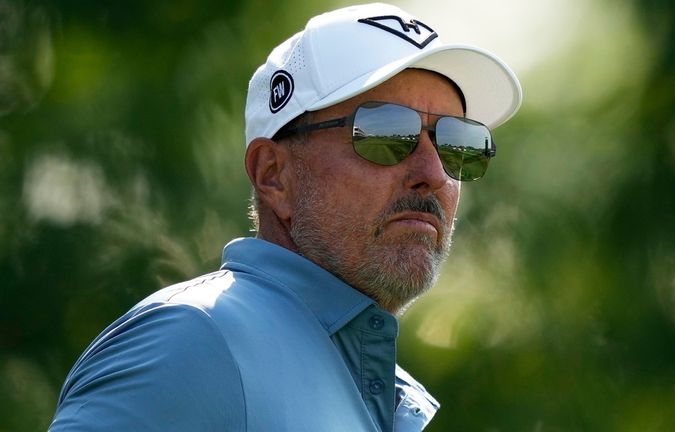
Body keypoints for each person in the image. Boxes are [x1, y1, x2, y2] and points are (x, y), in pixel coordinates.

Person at [49, 3, 522, 431]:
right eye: (384, 133)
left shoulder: (372, 384)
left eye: (458, 142)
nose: (433, 173)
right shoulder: (190, 341)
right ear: (273, 175)